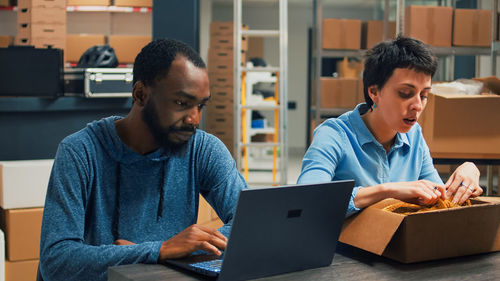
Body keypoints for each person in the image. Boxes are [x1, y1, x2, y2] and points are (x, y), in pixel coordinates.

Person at [39, 38, 248, 281]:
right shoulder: (80, 152)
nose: (194, 119)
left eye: (200, 105)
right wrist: (159, 250)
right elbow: (56, 262)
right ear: (140, 94)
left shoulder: (203, 149)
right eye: (181, 103)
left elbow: (250, 225)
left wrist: (166, 252)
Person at [298, 35, 482, 217]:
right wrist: (386, 191)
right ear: (374, 92)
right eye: (405, 93)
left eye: (424, 95)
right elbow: (307, 201)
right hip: (343, 246)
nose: (417, 105)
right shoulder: (334, 135)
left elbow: (438, 195)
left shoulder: (414, 135)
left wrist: (467, 172)